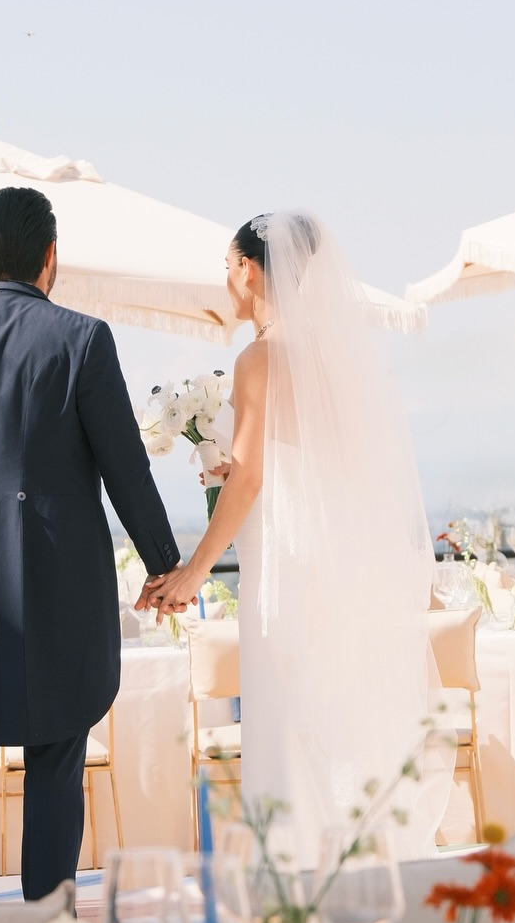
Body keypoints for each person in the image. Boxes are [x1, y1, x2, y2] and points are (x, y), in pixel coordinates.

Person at [0, 184, 180, 901]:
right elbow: (125, 467)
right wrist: (163, 563)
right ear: (52, 257)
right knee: (55, 749)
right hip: (56, 582)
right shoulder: (82, 339)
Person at [153, 212, 441, 860]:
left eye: (228, 269)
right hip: (337, 558)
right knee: (331, 717)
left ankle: (299, 874)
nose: (226, 284)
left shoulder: (260, 355)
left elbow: (251, 478)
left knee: (288, 722)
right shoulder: (338, 360)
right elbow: (320, 462)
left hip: (283, 558)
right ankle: (355, 871)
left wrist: (197, 569)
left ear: (249, 270)